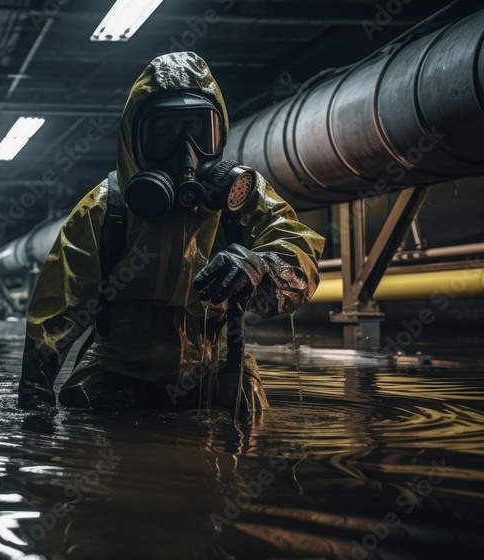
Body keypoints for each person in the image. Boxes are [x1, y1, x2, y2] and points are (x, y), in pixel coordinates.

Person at [17, 52, 325, 412]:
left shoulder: (243, 200)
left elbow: (298, 253)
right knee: (89, 415)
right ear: (136, 142)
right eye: (164, 136)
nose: (186, 154)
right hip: (120, 371)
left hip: (219, 370)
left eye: (199, 133)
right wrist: (35, 392)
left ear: (220, 136)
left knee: (246, 421)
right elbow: (58, 309)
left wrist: (262, 265)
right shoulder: (106, 208)